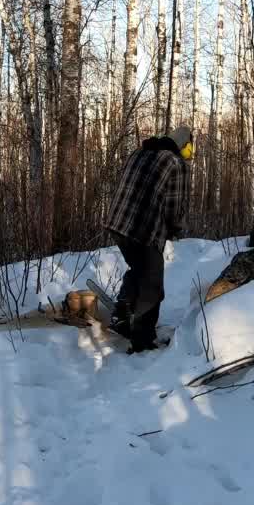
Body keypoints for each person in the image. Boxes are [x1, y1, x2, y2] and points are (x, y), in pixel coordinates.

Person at [102, 125, 194, 353]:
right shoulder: (176, 163)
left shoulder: (140, 151)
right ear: (184, 147)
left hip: (117, 223)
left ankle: (122, 315)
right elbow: (175, 206)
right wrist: (176, 228)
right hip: (144, 230)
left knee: (139, 269)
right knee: (152, 286)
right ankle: (142, 338)